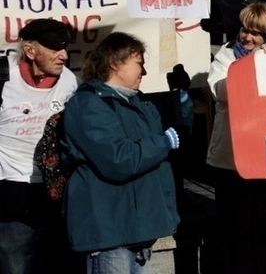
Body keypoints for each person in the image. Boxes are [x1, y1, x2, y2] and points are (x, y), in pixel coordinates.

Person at [62, 32, 180, 273]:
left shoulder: (135, 103)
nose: (143, 72)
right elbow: (121, 159)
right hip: (111, 234)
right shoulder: (89, 104)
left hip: (137, 230)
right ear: (115, 63)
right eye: (139, 63)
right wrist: (163, 143)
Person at [206, 2, 266, 274]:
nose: (248, 37)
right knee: (234, 229)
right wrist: (251, 63)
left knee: (264, 229)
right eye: (245, 31)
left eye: (256, 34)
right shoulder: (225, 57)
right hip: (231, 160)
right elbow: (222, 92)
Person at [0, 19, 79, 274]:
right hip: (11, 189)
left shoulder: (70, 81)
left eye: (65, 47)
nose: (64, 55)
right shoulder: (4, 78)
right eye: (55, 48)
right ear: (31, 51)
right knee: (15, 265)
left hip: (53, 188)